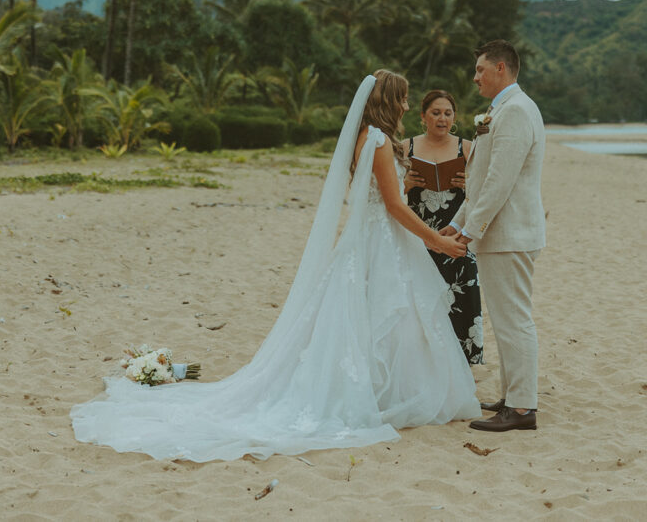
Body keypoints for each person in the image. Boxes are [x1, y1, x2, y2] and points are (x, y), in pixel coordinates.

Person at [71, 70, 480, 462]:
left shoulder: (368, 137)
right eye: (403, 98)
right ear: (389, 101)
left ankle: (381, 389)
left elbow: (378, 194)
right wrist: (436, 240)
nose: (407, 105)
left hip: (372, 240)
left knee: (372, 316)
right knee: (388, 314)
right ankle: (386, 393)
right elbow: (392, 205)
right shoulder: (377, 140)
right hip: (381, 241)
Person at [443, 40, 546, 432]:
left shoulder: (516, 110)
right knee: (505, 321)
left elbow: (500, 182)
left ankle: (521, 409)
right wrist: (458, 222)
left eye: (480, 70)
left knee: (513, 320)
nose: (475, 78)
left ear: (501, 68)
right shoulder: (501, 109)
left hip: (510, 234)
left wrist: (470, 231)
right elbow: (480, 179)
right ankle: (512, 395)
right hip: (502, 235)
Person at [402, 90, 484, 365]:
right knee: (419, 299)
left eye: (448, 113)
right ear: (423, 116)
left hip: (457, 235)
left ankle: (463, 363)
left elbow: (485, 193)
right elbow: (387, 196)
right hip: (418, 236)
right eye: (436, 113)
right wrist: (406, 184)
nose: (442, 118)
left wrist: (468, 185)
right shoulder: (404, 147)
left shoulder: (468, 148)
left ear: (454, 118)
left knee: (461, 298)